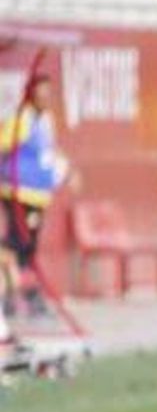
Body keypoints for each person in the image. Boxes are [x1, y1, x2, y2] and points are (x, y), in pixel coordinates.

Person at [0, 72, 71, 318]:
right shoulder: (23, 119)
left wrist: (64, 170)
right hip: (20, 193)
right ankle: (14, 296)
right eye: (40, 92)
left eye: (48, 93)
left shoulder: (46, 119)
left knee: (26, 246)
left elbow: (48, 149)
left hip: (39, 194)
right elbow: (4, 144)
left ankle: (21, 296)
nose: (45, 97)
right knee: (16, 245)